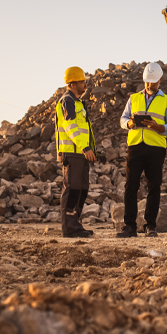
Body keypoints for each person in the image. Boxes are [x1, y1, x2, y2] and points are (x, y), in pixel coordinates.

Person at [117, 62, 167, 238]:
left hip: (156, 149)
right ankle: (130, 227)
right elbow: (122, 119)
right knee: (131, 186)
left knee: (153, 187)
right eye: (147, 82)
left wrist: (159, 127)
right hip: (135, 146)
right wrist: (130, 123)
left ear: (160, 80)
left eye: (153, 82)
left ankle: (150, 226)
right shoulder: (133, 98)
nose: (150, 85)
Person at [55, 66, 97, 238]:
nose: (85, 84)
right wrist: (84, 147)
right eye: (82, 81)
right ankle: (69, 228)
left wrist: (90, 149)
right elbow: (70, 126)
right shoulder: (67, 101)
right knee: (72, 189)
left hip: (80, 153)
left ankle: (76, 225)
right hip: (72, 152)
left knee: (82, 189)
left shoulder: (79, 102)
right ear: (72, 83)